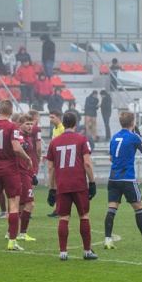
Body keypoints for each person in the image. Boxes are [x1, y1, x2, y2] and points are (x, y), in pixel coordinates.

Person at [103, 111, 142, 250]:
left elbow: (111, 158)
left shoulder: (114, 137)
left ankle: (107, 241)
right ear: (133, 123)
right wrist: (140, 137)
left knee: (112, 208)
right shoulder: (134, 137)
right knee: (139, 207)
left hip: (113, 178)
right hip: (127, 178)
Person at [0, 99, 33, 251]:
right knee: (14, 204)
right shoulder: (12, 127)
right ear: (11, 112)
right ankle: (12, 242)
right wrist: (27, 158)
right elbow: (16, 148)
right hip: (11, 170)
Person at [46, 111, 98, 261]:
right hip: (79, 183)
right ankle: (87, 251)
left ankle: (63, 252)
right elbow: (87, 163)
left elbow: (51, 168)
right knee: (84, 215)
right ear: (76, 123)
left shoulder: (54, 142)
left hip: (62, 184)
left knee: (63, 217)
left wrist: (52, 189)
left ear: (63, 123)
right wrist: (92, 182)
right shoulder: (82, 139)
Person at [14, 113, 40, 242]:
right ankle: (22, 233)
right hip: (21, 173)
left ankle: (10, 232)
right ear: (20, 124)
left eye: (31, 124)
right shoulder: (19, 136)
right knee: (30, 203)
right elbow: (19, 145)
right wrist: (21, 145)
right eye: (27, 124)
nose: (30, 126)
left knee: (20, 204)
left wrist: (33, 173)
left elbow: (28, 159)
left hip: (26, 172)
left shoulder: (28, 138)